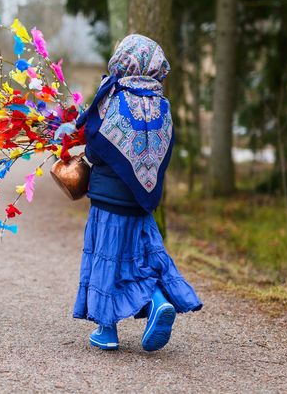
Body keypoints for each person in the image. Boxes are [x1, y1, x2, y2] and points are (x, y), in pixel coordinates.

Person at [73, 33, 202, 351]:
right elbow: (165, 150)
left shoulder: (112, 96)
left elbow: (96, 142)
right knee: (142, 259)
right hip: (141, 202)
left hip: (108, 198)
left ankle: (107, 330)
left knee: (108, 257)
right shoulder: (163, 106)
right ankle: (158, 302)